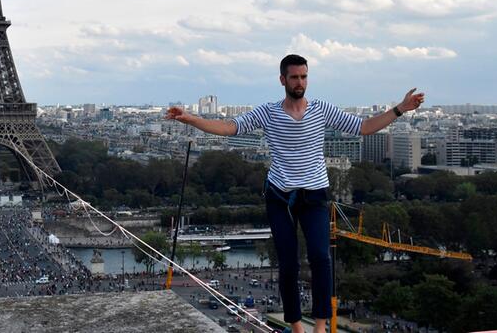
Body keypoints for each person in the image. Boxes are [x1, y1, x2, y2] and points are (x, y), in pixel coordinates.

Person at [166, 54, 424, 333]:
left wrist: (400, 109)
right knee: (287, 261)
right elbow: (230, 128)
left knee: (320, 257)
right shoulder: (268, 111)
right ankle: (297, 326)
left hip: (314, 194)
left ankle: (322, 325)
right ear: (282, 80)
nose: (300, 82)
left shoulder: (321, 109)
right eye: (294, 77)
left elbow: (363, 127)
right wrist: (191, 119)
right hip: (280, 196)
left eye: (304, 77)